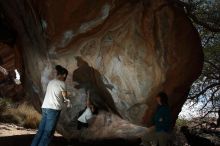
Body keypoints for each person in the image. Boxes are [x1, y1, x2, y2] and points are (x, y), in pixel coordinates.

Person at [31, 65, 70, 146]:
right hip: (53, 109)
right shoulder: (62, 83)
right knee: (48, 132)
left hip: (45, 107)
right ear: (64, 75)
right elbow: (65, 98)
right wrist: (68, 101)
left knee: (41, 130)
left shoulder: (51, 82)